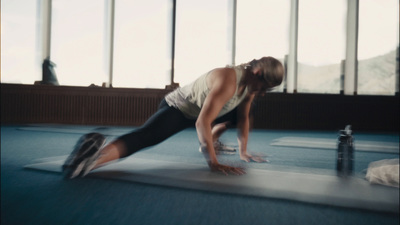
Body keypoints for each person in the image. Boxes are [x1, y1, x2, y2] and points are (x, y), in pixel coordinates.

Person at [63, 56, 284, 178]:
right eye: (264, 87)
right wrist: (213, 163)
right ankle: (90, 161)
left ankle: (86, 160)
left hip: (202, 111)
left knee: (236, 115)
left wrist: (244, 151)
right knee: (145, 137)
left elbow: (244, 118)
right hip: (179, 108)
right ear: (257, 73)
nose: (263, 92)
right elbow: (202, 122)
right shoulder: (228, 80)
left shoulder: (250, 87)